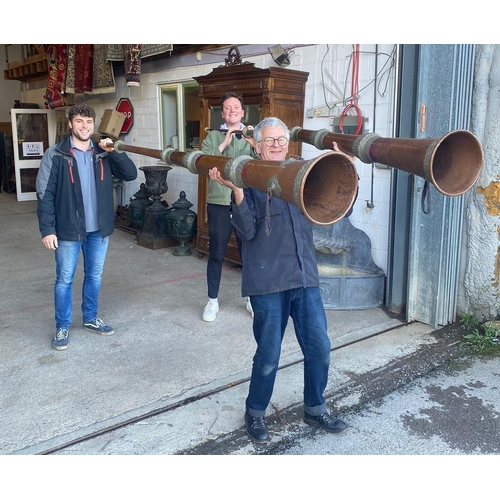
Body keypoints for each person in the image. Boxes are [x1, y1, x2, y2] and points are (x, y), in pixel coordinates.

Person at [208, 116, 348, 442]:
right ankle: (255, 412)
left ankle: (315, 407)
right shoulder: (248, 178)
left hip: (304, 278)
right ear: (256, 145)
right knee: (269, 354)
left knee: (319, 348)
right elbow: (246, 233)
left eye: (281, 140)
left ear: (288, 143)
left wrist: (345, 168)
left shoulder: (299, 174)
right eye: (269, 140)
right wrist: (239, 193)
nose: (276, 145)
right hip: (267, 281)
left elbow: (333, 207)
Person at [36, 103, 137, 351]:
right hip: (68, 230)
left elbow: (130, 174)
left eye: (89, 122)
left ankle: (90, 319)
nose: (84, 126)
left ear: (94, 125)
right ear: (70, 124)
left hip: (98, 230)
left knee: (94, 276)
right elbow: (44, 194)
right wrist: (47, 229)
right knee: (64, 280)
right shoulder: (56, 154)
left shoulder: (103, 152)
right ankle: (62, 326)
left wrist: (115, 151)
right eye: (79, 121)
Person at [201, 91, 254, 322]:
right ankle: (212, 300)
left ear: (242, 112)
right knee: (216, 253)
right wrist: (223, 143)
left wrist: (252, 142)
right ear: (222, 113)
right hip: (219, 203)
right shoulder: (212, 137)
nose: (232, 110)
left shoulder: (252, 134)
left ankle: (253, 299)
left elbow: (262, 161)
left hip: (245, 201)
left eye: (236, 107)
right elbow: (203, 162)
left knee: (250, 252)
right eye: (227, 108)